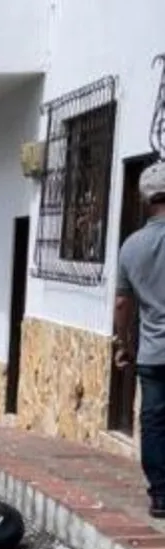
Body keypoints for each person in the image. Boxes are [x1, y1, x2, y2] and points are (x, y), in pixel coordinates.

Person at [114, 160, 165, 518]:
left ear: (145, 199)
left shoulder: (131, 247)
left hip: (153, 353)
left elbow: (122, 303)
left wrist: (123, 343)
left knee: (154, 421)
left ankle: (161, 495)